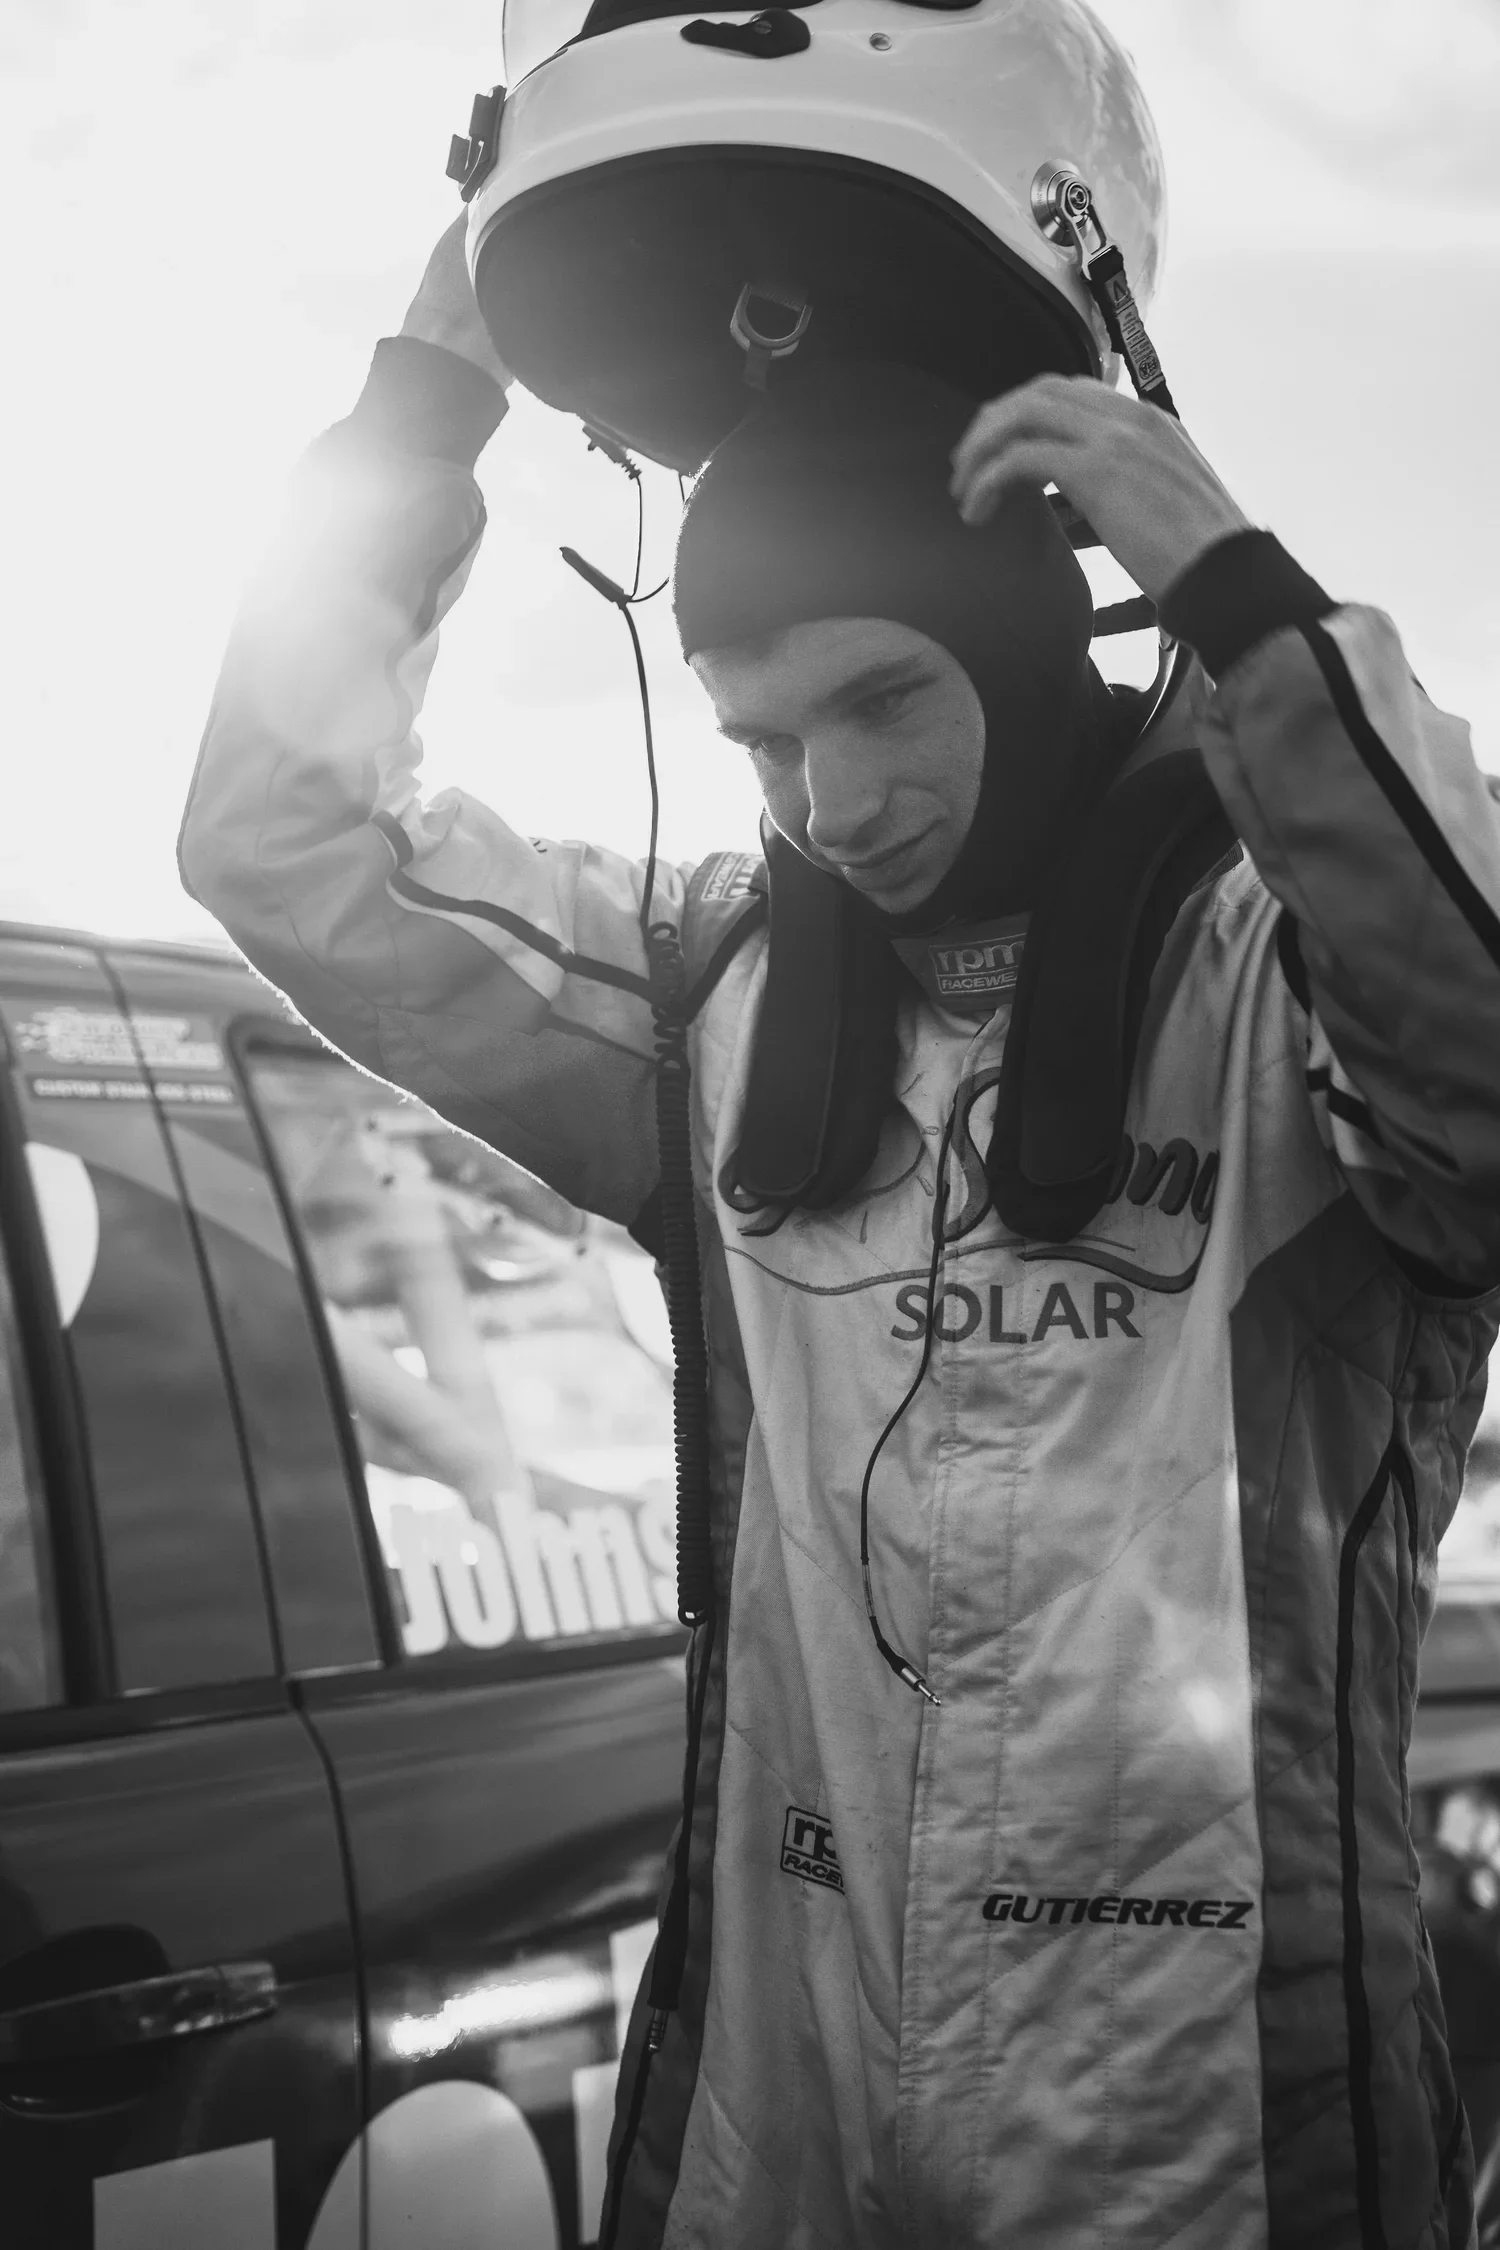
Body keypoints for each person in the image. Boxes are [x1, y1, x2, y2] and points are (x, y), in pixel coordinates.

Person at [180, 215, 1500, 2250]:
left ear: (1027, 644)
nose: (833, 800)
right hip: (782, 2133)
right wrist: (419, 418)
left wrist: (1254, 615)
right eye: (764, 738)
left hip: (1212, 2149)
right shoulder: (707, 995)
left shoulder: (1279, 979)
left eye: (885, 699)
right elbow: (284, 838)